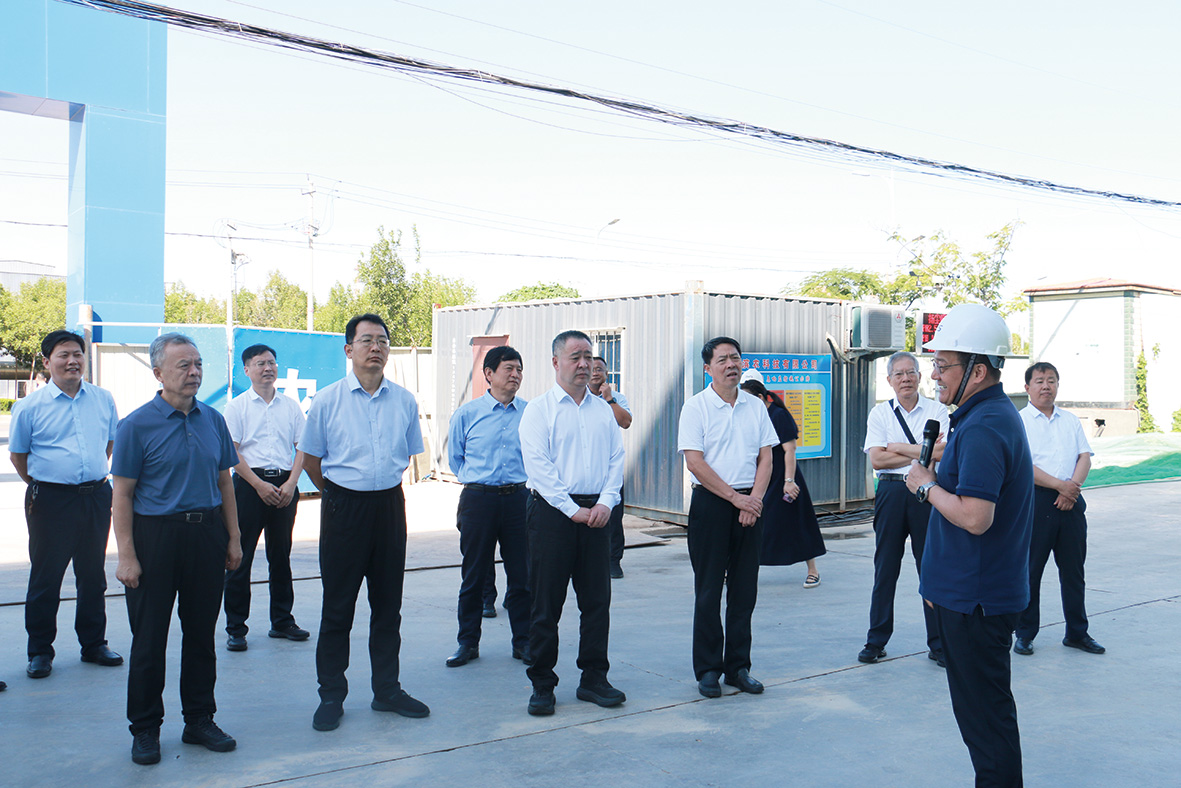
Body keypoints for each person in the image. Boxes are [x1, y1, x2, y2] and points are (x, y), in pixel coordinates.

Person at [905, 303, 1033, 788]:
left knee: (985, 720)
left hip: (977, 603)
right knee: (984, 715)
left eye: (943, 365)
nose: (933, 375)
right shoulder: (984, 415)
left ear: (978, 370)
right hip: (969, 595)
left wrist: (925, 485)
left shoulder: (983, 426)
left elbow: (976, 518)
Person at [111, 333, 243, 765]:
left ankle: (199, 719)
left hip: (206, 535)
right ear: (158, 373)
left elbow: (225, 483)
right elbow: (122, 495)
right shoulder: (135, 426)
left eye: (198, 364)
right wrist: (127, 555)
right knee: (149, 639)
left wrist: (233, 537)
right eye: (183, 365)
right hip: (155, 538)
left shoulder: (213, 420)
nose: (194, 372)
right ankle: (145, 729)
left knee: (201, 635)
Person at [298, 314, 429, 732]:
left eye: (383, 341)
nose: (376, 347)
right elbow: (312, 460)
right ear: (348, 349)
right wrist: (339, 494)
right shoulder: (327, 401)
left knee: (388, 606)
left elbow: (407, 456)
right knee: (338, 607)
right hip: (344, 509)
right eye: (367, 340)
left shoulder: (404, 401)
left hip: (388, 507)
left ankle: (387, 690)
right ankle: (331, 695)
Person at [519, 330, 625, 716]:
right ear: (556, 362)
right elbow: (539, 467)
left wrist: (606, 502)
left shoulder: (603, 411)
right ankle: (542, 683)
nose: (584, 364)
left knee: (597, 602)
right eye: (575, 357)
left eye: (588, 357)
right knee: (546, 603)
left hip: (597, 514)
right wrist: (571, 509)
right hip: (552, 514)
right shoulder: (539, 410)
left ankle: (594, 678)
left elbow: (616, 459)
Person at [10, 330, 122, 680]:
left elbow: (108, 444)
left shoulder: (103, 399)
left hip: (96, 496)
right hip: (50, 501)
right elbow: (18, 457)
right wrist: (48, 483)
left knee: (93, 575)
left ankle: (94, 644)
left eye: (77, 354)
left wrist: (86, 476)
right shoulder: (29, 406)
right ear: (47, 362)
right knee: (46, 577)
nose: (72, 361)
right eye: (64, 355)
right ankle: (40, 651)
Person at [678, 337, 778, 699]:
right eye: (722, 360)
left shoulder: (756, 406)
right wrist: (737, 500)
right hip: (712, 505)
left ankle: (738, 667)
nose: (731, 365)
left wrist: (754, 500)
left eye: (735, 358)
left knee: (744, 590)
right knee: (708, 590)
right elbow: (695, 462)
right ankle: (708, 669)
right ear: (708, 368)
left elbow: (766, 457)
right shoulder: (696, 408)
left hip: (750, 503)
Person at [859, 351, 949, 667]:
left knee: (931, 568)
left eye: (910, 372)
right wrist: (922, 451)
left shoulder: (937, 410)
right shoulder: (880, 414)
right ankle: (876, 640)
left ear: (920, 376)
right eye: (898, 374)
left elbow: (943, 452)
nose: (906, 379)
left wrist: (896, 447)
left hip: (927, 492)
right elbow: (877, 459)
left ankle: (939, 644)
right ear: (889, 380)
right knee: (885, 568)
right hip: (892, 491)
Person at [445, 345, 532, 668]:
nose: (515, 375)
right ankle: (467, 643)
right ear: (489, 374)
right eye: (509, 369)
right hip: (478, 500)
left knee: (522, 576)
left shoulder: (530, 413)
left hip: (519, 499)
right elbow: (456, 458)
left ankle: (524, 642)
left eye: (519, 369)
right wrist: (478, 481)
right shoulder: (467, 414)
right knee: (474, 574)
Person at [222, 344, 309, 652]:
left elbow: (303, 447)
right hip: (249, 487)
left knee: (280, 556)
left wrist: (292, 483)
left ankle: (282, 621)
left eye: (272, 362)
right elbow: (232, 452)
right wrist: (258, 485)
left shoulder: (290, 406)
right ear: (247, 370)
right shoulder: (237, 407)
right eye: (260, 363)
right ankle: (236, 628)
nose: (268, 368)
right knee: (239, 556)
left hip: (284, 486)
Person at [1014, 362, 1104, 657]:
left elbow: (1084, 456)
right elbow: (1023, 465)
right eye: (1039, 381)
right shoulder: (1019, 422)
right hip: (1037, 502)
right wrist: (1060, 487)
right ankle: (1025, 633)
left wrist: (1072, 488)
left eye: (1051, 380)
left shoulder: (1070, 420)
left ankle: (1077, 633)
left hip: (1071, 502)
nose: (1046, 386)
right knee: (1031, 571)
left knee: (1074, 572)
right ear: (1027, 387)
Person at [739, 375, 825, 588]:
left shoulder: (778, 415)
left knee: (799, 524)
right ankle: (737, 569)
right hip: (763, 477)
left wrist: (789, 481)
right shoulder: (753, 417)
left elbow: (790, 450)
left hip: (784, 477)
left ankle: (813, 570)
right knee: (752, 524)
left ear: (761, 397)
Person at [590, 356, 632, 578]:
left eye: (600, 369)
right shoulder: (578, 398)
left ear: (607, 374)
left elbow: (625, 422)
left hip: (610, 469)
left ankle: (613, 560)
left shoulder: (617, 398)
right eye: (592, 368)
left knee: (614, 517)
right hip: (586, 467)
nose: (595, 372)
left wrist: (609, 399)